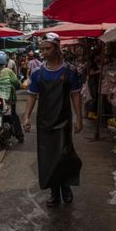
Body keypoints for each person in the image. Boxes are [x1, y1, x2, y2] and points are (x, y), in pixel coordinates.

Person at [23, 33, 83, 207]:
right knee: (48, 157)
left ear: (57, 48)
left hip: (63, 120)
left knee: (64, 155)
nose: (44, 52)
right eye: (41, 49)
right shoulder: (37, 73)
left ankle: (66, 187)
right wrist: (26, 116)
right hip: (44, 123)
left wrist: (79, 118)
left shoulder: (70, 71)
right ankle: (54, 192)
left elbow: (75, 95)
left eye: (47, 48)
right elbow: (32, 96)